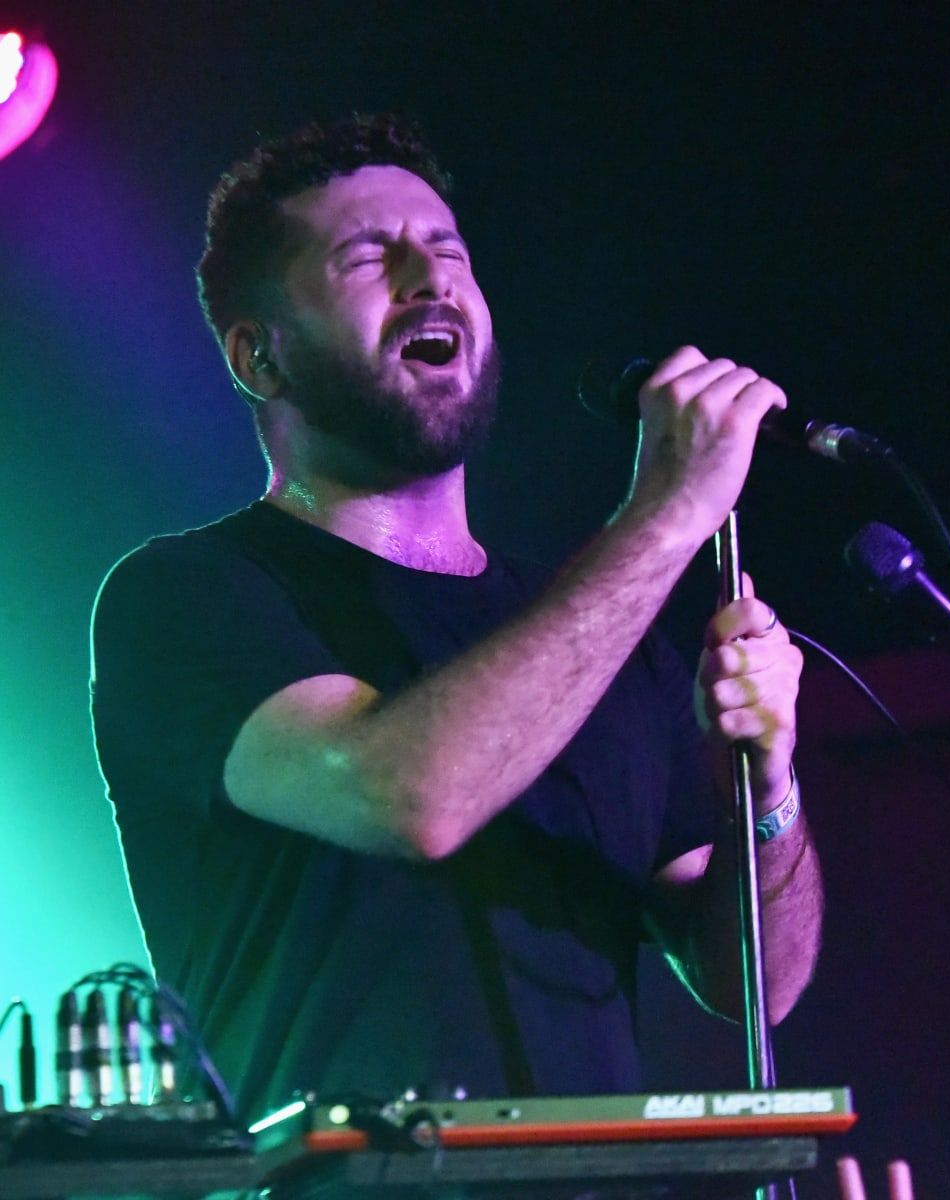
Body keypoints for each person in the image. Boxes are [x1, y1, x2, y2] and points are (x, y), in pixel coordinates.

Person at [90, 114, 822, 1123]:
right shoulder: (188, 596)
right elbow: (410, 798)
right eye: (366, 257)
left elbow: (753, 989)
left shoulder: (603, 638)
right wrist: (666, 515)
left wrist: (771, 794)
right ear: (260, 359)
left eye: (447, 252)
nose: (427, 280)